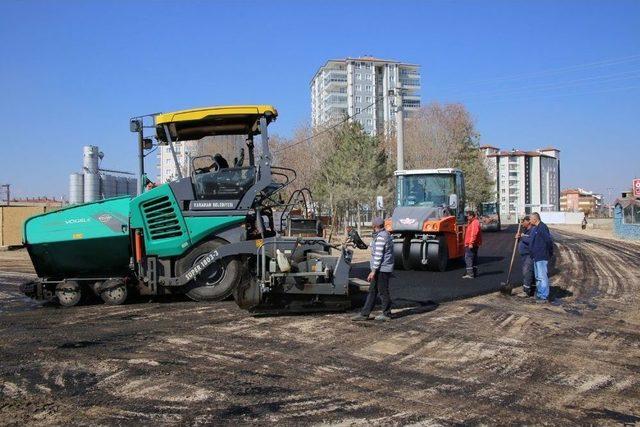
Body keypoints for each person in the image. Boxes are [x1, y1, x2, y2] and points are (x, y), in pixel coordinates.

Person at [352, 217, 394, 322]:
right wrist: (363, 244)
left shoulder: (381, 237)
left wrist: (373, 271)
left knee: (383, 291)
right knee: (372, 291)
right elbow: (375, 246)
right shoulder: (384, 235)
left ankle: (387, 314)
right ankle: (365, 314)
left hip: (382, 269)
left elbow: (378, 255)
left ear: (374, 226)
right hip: (381, 268)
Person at [529, 212, 554, 303]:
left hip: (541, 256)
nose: (530, 220)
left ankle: (544, 296)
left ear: (535, 219)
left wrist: (549, 252)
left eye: (531, 219)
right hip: (536, 256)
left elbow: (548, 241)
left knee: (542, 277)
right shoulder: (536, 228)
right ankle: (540, 294)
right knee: (538, 277)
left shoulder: (542, 227)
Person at [516, 216, 536, 297]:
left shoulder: (533, 230)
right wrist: (518, 238)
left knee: (527, 271)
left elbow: (531, 240)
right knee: (530, 272)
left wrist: (522, 236)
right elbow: (524, 239)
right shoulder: (526, 230)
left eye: (523, 221)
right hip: (524, 255)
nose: (521, 223)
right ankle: (532, 289)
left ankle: (526, 291)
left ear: (528, 222)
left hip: (529, 254)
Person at [462, 210, 482, 279]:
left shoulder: (474, 223)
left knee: (468, 258)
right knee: (473, 258)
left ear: (471, 216)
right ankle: (474, 272)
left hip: (471, 244)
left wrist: (471, 243)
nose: (467, 217)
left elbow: (474, 234)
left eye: (468, 216)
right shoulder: (472, 222)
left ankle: (470, 274)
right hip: (474, 243)